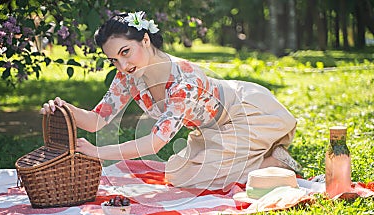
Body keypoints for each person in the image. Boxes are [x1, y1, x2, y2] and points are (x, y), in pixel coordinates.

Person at [41, 11, 302, 192]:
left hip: (243, 115)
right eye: (114, 60)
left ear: (145, 39)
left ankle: (276, 161)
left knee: (207, 180)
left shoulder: (183, 80)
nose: (122, 65)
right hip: (208, 131)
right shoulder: (128, 77)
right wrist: (63, 108)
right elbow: (97, 120)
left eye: (125, 52)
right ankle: (255, 159)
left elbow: (155, 141)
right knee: (180, 176)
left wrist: (98, 152)